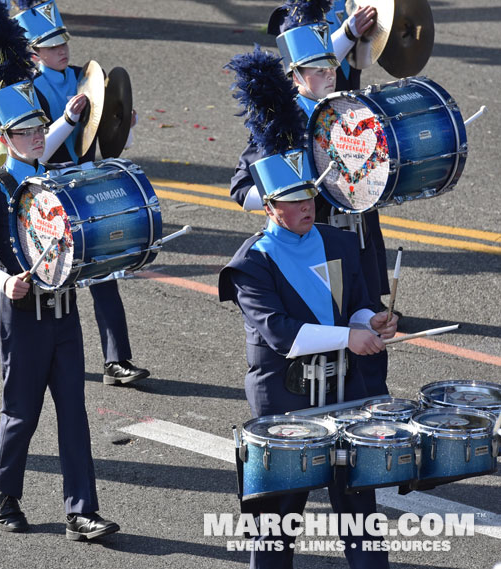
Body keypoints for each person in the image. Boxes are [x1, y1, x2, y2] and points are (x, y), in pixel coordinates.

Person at [221, 46, 397, 568]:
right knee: (277, 522)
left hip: (347, 392)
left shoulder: (340, 242)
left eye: (311, 198)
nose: (307, 208)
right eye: (294, 202)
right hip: (286, 399)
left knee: (359, 513)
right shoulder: (250, 264)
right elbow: (283, 336)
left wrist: (372, 320)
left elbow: (359, 303)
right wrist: (351, 336)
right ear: (270, 207)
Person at [0, 0, 119, 540]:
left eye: (37, 130)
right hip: (22, 315)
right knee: (21, 413)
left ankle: (82, 511)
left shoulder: (58, 184)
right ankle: (4, 490)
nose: (33, 138)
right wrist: (7, 281)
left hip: (65, 312)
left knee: (74, 413)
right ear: (5, 139)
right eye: (23, 132)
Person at [229, 0, 390, 396]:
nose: (330, 75)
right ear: (295, 77)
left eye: (331, 66)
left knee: (371, 338)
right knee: (322, 344)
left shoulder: (350, 109)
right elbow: (240, 189)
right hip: (310, 242)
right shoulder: (281, 123)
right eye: (318, 70)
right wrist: (289, 190)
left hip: (358, 241)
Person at [14, 0, 150, 386]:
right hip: (49, 189)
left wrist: (124, 122)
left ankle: (117, 360)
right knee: (52, 279)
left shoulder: (83, 77)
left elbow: (108, 138)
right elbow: (39, 148)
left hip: (84, 181)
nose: (63, 50)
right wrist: (69, 118)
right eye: (52, 46)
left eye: (64, 43)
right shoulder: (29, 93)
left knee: (103, 269)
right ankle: (38, 358)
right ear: (34, 52)